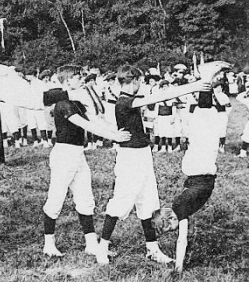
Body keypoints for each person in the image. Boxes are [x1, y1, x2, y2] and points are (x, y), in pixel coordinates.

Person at [94, 62, 229, 265]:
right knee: (121, 201)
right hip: (130, 157)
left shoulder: (127, 99)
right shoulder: (123, 101)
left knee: (149, 202)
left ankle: (152, 249)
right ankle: (101, 248)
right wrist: (193, 86)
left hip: (142, 154)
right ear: (136, 81)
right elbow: (158, 97)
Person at [40, 65, 130, 257]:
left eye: (80, 76)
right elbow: (86, 125)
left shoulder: (77, 103)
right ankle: (49, 244)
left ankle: (91, 243)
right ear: (65, 81)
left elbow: (96, 120)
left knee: (85, 198)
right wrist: (113, 136)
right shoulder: (63, 105)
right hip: (64, 154)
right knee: (56, 198)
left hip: (77, 154)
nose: (80, 79)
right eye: (76, 77)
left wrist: (114, 131)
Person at [151, 71, 230, 272]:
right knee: (206, 124)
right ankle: (206, 83)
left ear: (170, 219)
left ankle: (206, 79)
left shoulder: (181, 208)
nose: (173, 231)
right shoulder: (179, 206)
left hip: (199, 167)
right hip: (197, 168)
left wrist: (178, 267)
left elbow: (182, 240)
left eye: (169, 228)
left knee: (206, 123)